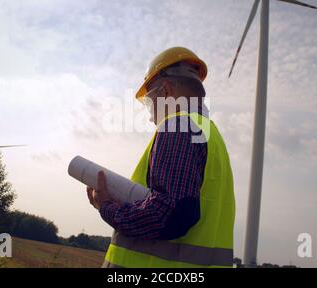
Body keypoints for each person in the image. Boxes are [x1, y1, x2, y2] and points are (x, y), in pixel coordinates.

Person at [86, 47, 236, 268]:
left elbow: (167, 215)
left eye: (148, 101)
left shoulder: (179, 125)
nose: (149, 116)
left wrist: (106, 206)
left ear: (165, 90)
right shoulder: (210, 135)